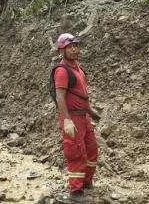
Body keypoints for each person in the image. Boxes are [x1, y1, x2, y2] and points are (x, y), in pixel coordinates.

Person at [52, 33, 101, 202]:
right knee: (76, 153)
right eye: (69, 47)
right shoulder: (62, 71)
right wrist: (66, 120)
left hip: (83, 117)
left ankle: (87, 182)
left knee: (92, 149)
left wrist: (91, 111)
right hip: (72, 118)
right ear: (61, 51)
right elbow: (60, 97)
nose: (74, 49)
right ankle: (75, 190)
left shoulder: (78, 67)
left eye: (75, 46)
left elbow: (82, 94)